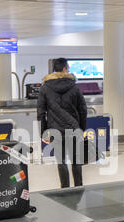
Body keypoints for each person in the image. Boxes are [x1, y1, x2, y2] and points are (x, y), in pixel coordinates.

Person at [37, 58, 87, 188]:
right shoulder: (74, 87)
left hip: (55, 130)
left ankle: (64, 189)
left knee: (61, 161)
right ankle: (78, 188)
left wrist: (43, 132)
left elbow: (41, 112)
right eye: (68, 68)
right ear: (65, 69)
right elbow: (83, 110)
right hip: (74, 129)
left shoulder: (45, 88)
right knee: (76, 161)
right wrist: (82, 128)